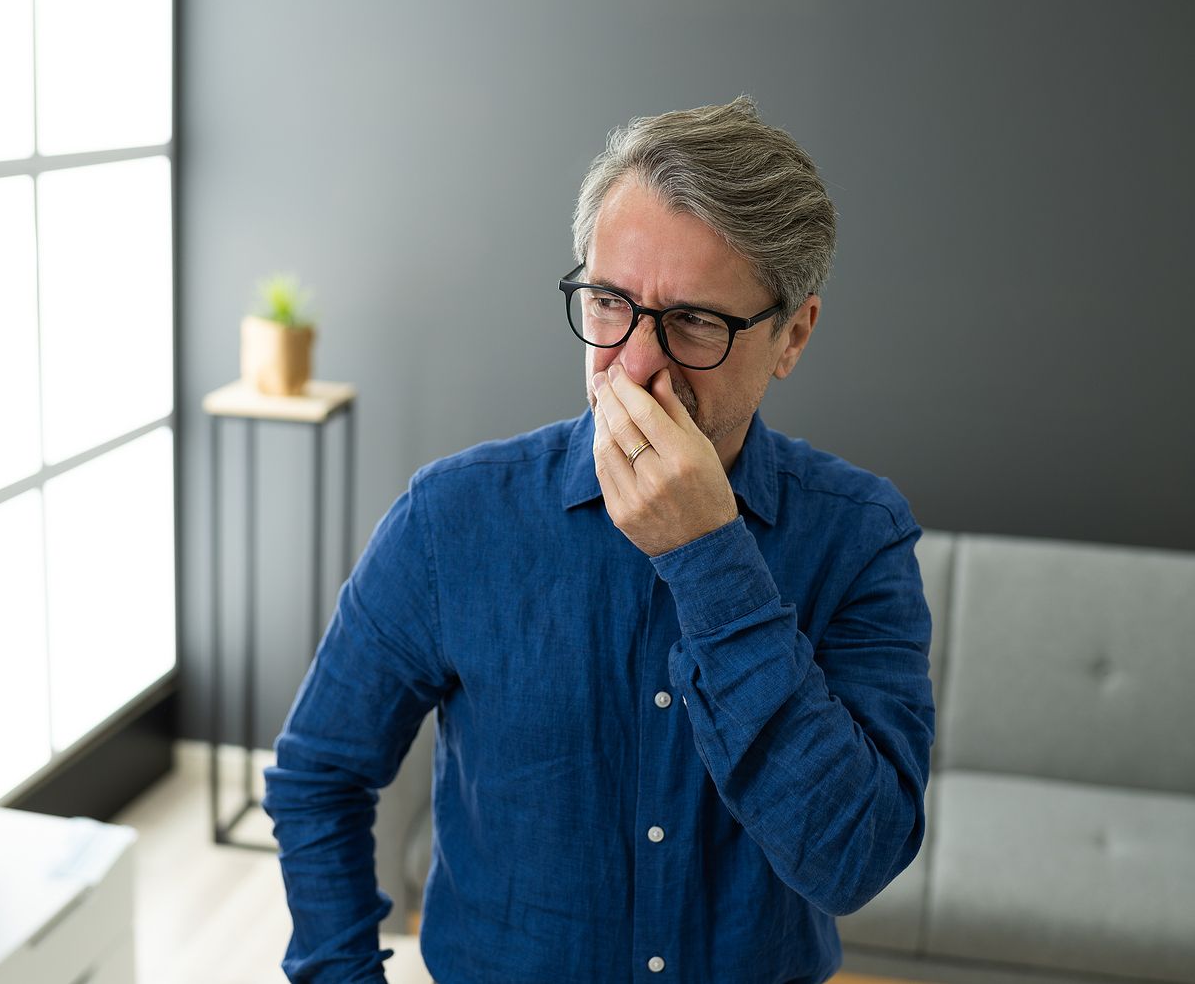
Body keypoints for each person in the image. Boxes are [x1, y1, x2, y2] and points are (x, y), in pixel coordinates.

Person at [263, 95, 936, 984]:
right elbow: (318, 775)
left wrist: (709, 558)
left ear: (791, 336)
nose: (635, 363)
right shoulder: (453, 518)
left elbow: (853, 860)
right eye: (611, 302)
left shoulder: (860, 536)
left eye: (696, 321)